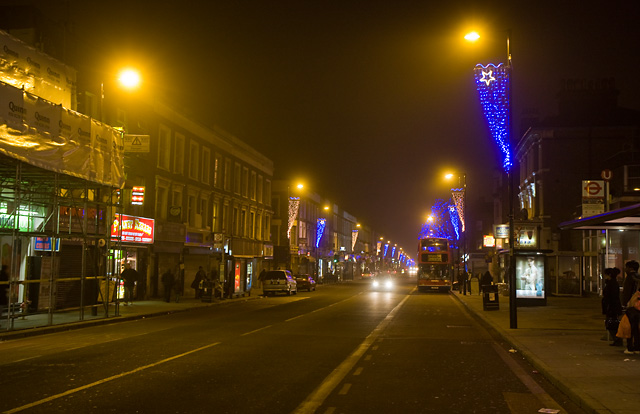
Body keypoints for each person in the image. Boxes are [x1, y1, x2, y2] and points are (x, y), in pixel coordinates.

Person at [602, 267, 623, 346]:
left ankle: (617, 339)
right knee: (612, 323)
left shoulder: (612, 283)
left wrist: (608, 306)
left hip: (612, 307)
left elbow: (611, 297)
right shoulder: (612, 283)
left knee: (612, 323)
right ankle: (617, 339)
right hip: (612, 306)